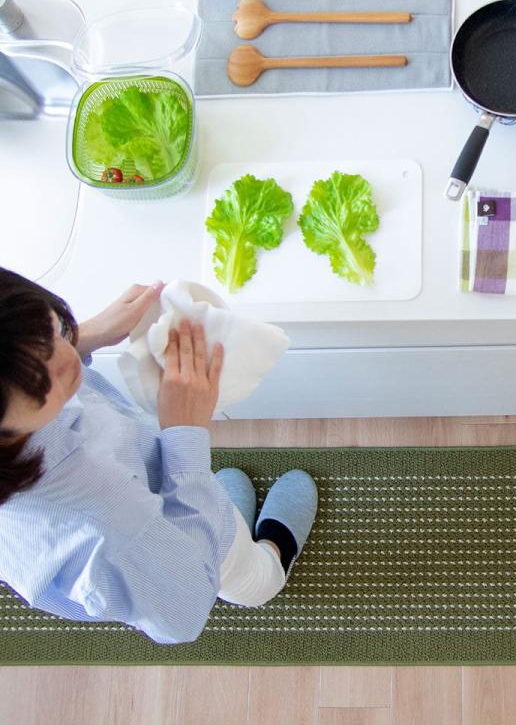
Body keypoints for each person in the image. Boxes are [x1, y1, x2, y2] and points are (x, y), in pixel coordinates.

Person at [0, 268, 317, 644]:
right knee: (245, 573)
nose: (69, 361)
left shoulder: (18, 410)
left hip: (161, 490)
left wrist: (85, 336)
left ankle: (220, 512)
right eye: (40, 383)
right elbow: (183, 614)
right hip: (186, 554)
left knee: (214, 502)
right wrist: (184, 431)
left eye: (51, 330)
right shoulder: (91, 533)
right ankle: (272, 558)